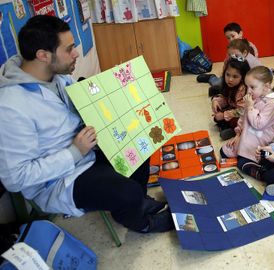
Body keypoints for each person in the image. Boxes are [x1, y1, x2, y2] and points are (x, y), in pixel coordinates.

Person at [0, 15, 173, 233]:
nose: (76, 54)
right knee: (125, 192)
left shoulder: (57, 77)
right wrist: (74, 152)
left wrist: (119, 89)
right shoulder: (10, 107)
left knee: (141, 140)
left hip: (86, 151)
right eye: (69, 49)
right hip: (59, 179)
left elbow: (79, 110)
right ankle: (142, 222)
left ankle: (137, 202)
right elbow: (15, 179)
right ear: (43, 55)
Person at [220, 66, 274, 173]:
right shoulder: (255, 96)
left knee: (242, 162)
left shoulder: (273, 102)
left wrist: (250, 107)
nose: (249, 91)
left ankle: (260, 167)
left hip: (261, 135)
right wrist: (238, 134)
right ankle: (244, 152)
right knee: (224, 152)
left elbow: (259, 124)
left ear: (266, 87)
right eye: (247, 86)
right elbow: (243, 118)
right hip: (248, 132)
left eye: (252, 87)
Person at [211, 58, 250, 140]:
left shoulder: (243, 89)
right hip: (235, 107)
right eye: (227, 75)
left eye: (235, 76)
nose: (230, 79)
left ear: (243, 77)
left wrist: (224, 115)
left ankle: (235, 131)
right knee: (217, 115)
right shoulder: (229, 85)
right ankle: (226, 125)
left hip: (246, 112)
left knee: (240, 122)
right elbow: (226, 98)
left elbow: (242, 111)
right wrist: (215, 101)